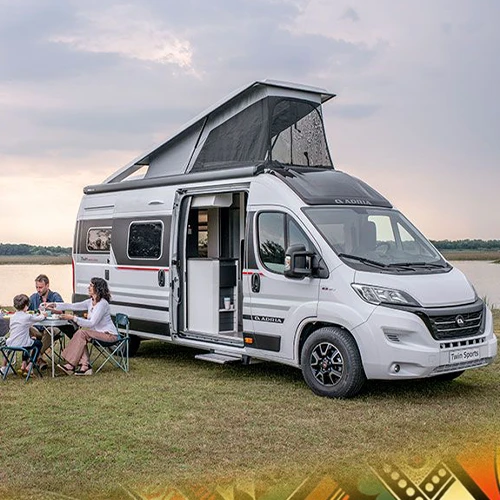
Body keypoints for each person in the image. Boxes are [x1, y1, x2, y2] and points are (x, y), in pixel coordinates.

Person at [50, 277, 118, 376]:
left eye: (91, 286)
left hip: (109, 335)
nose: (88, 287)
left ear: (98, 288)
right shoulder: (90, 302)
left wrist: (73, 318)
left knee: (81, 333)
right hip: (98, 334)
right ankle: (85, 366)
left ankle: (71, 365)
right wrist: (54, 305)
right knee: (80, 335)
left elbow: (91, 323)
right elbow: (73, 306)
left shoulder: (102, 304)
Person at [0, 294, 46, 376]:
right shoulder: (27, 317)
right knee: (38, 343)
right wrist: (43, 314)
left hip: (11, 344)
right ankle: (30, 365)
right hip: (23, 344)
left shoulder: (12, 317)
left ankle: (22, 364)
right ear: (26, 306)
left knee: (28, 339)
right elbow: (40, 318)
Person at [28, 274, 64, 369]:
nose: (38, 290)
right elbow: (27, 312)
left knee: (50, 330)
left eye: (40, 287)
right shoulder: (33, 298)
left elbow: (62, 311)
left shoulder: (55, 296)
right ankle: (38, 359)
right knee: (25, 327)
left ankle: (34, 357)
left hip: (54, 327)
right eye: (37, 287)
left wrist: (49, 309)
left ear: (47, 286)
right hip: (38, 329)